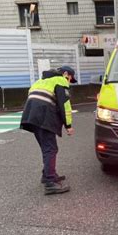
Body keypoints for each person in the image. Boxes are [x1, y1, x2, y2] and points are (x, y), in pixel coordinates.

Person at [20, 66, 76, 195]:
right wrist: (68, 125)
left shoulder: (39, 82)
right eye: (70, 79)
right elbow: (65, 106)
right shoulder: (60, 81)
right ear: (66, 74)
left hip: (30, 117)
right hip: (44, 117)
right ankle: (50, 182)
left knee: (46, 148)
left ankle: (48, 174)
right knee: (50, 148)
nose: (69, 82)